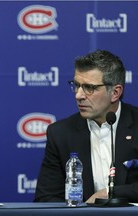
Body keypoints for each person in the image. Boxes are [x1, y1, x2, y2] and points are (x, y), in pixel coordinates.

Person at [34, 49, 138, 203]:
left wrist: (110, 193)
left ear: (115, 92)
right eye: (76, 85)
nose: (79, 95)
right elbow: (46, 198)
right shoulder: (60, 134)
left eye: (90, 88)